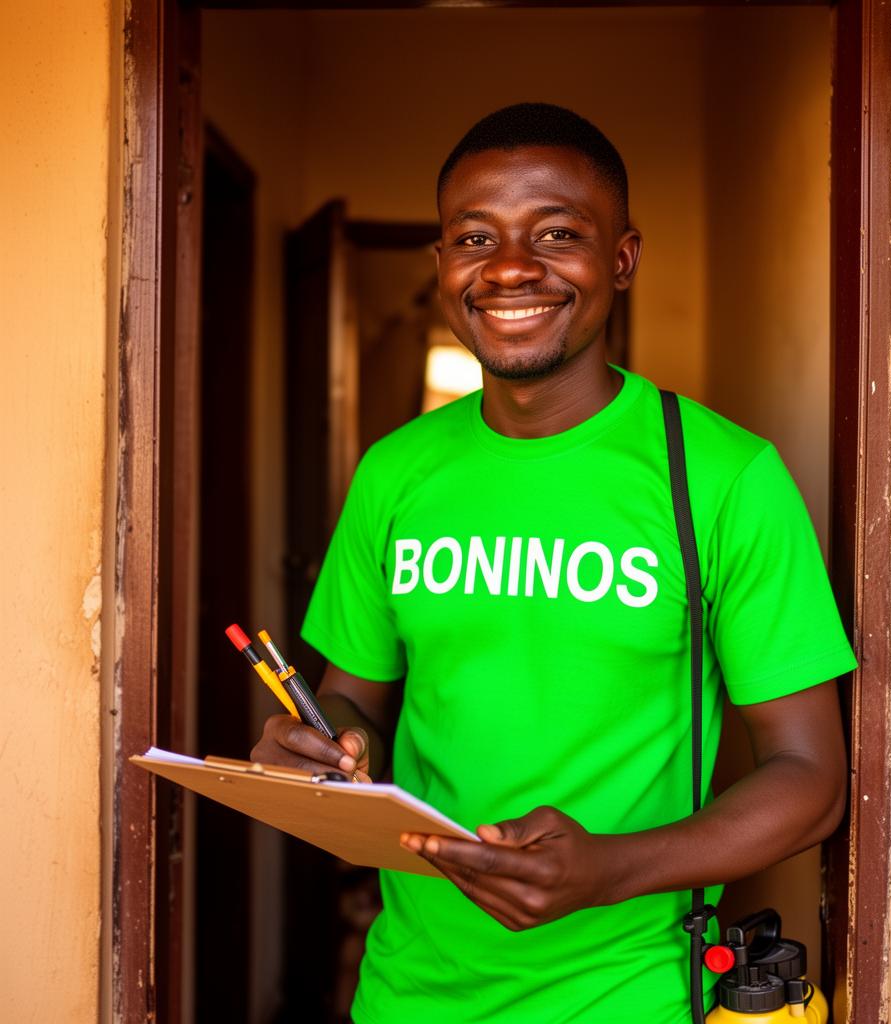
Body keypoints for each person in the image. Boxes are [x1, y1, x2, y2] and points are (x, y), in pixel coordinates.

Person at [252, 103, 856, 1024]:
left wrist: (613, 869)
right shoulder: (396, 470)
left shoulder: (725, 477)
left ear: (622, 258)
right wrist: (315, 747)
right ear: (444, 265)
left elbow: (810, 775)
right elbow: (353, 700)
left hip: (632, 993)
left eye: (558, 233)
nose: (509, 268)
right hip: (408, 992)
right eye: (474, 237)